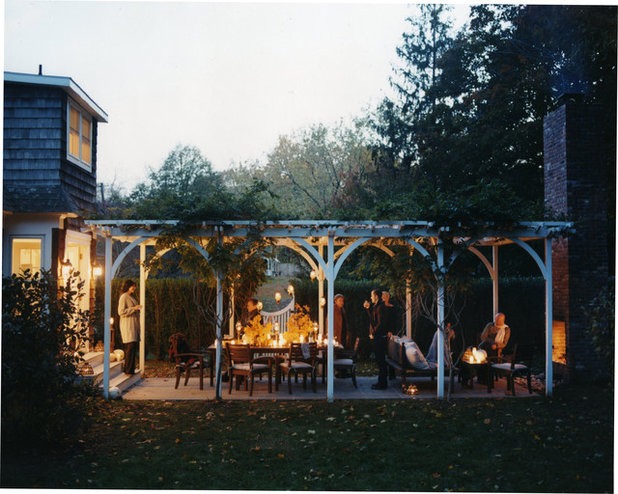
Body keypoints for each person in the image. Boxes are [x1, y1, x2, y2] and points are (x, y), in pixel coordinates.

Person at [364, 289, 387, 390]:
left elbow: (380, 323)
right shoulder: (376, 306)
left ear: (376, 296)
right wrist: (368, 309)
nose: (371, 298)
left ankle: (382, 384)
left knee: (381, 360)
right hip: (377, 336)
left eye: (372, 296)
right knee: (379, 360)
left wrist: (374, 333)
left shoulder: (381, 307)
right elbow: (372, 320)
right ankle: (381, 382)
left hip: (380, 337)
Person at [118, 280, 141, 375]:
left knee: (133, 347)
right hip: (128, 325)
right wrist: (134, 309)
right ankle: (128, 369)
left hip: (133, 325)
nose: (134, 288)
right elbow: (121, 312)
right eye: (132, 286)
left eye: (134, 286)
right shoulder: (124, 297)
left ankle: (131, 369)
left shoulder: (131, 297)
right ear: (128, 286)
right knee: (130, 347)